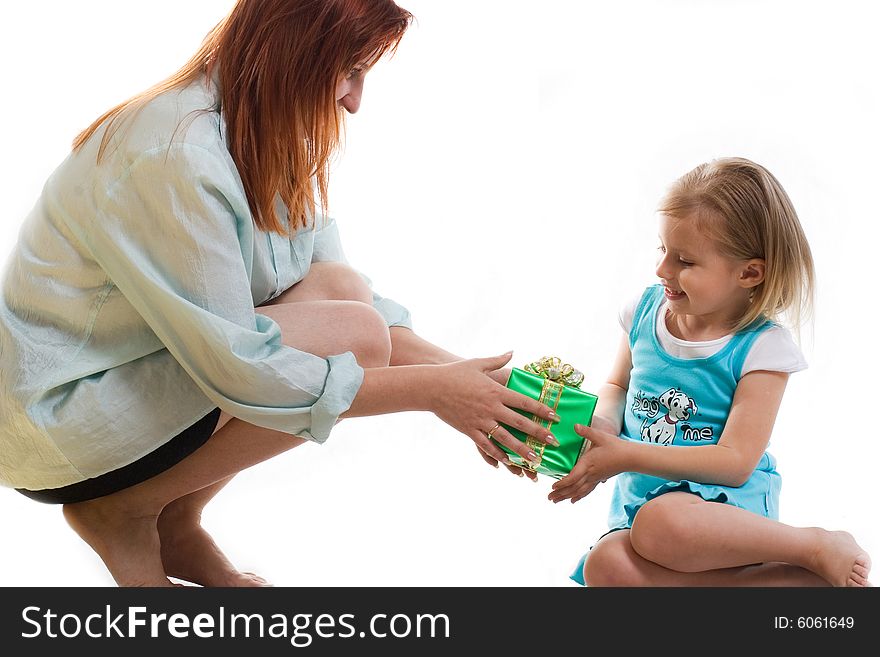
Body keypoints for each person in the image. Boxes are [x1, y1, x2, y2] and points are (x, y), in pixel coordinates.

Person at [0, 0, 556, 587]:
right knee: (354, 336)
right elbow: (241, 368)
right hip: (58, 413)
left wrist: (487, 391)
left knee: (344, 296)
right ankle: (124, 511)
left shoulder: (266, 130)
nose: (354, 100)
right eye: (350, 71)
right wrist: (437, 393)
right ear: (296, 47)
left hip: (133, 374)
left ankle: (176, 519)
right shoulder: (176, 153)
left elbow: (345, 292)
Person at [549, 157, 871, 587]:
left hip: (720, 511)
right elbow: (616, 384)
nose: (662, 270)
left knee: (661, 523)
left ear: (749, 273)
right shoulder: (644, 313)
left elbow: (736, 463)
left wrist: (625, 454)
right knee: (605, 562)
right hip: (640, 507)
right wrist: (605, 427)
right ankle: (781, 586)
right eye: (662, 250)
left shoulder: (761, 349)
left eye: (684, 260)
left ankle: (810, 546)